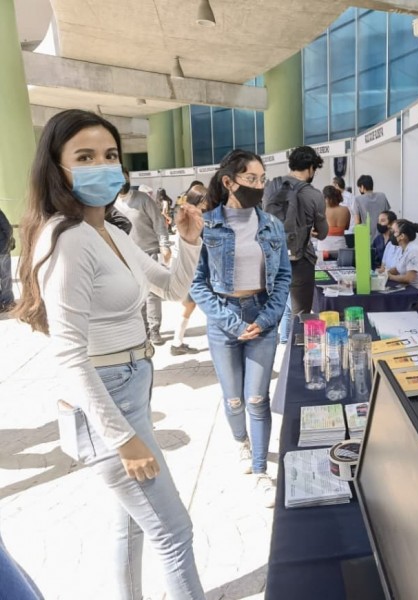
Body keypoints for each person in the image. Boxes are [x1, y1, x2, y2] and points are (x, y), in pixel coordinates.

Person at [13, 109, 205, 599]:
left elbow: (171, 288)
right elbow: (68, 355)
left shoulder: (109, 231)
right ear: (57, 169)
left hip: (132, 382)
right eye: (85, 156)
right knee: (173, 531)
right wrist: (122, 438)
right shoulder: (70, 241)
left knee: (134, 526)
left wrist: (187, 240)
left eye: (110, 155)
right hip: (107, 398)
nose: (102, 165)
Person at [191, 149, 291, 508]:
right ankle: (240, 444)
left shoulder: (271, 225)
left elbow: (282, 278)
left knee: (256, 398)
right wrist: (233, 322)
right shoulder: (207, 224)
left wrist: (265, 320)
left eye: (263, 179)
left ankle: (261, 468)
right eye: (252, 179)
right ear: (229, 181)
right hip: (223, 318)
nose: (259, 186)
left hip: (261, 313)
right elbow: (197, 284)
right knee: (233, 398)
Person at [264, 145, 327, 318]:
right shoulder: (314, 194)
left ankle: (274, 342)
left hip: (272, 258)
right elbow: (322, 233)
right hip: (301, 260)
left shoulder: (271, 186)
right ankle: (296, 343)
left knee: (272, 313)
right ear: (311, 168)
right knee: (301, 315)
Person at [115, 167, 172, 345]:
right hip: (126, 256)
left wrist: (164, 245)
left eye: (125, 178)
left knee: (152, 294)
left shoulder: (143, 200)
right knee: (135, 296)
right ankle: (142, 330)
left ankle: (154, 330)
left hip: (149, 253)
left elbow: (159, 222)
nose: (122, 182)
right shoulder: (111, 205)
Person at [171, 183, 209, 356]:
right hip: (196, 271)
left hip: (191, 270)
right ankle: (176, 343)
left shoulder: (187, 215)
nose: (208, 204)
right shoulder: (195, 219)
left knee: (189, 306)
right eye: (205, 201)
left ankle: (176, 343)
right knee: (205, 306)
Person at [386, 219, 418, 291]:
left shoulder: (413, 251)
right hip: (408, 289)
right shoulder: (401, 248)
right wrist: (384, 273)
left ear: (402, 236)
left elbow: (408, 278)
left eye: (393, 231)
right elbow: (397, 269)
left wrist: (390, 277)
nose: (390, 233)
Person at [354, 174, 391, 240]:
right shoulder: (382, 196)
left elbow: (357, 222)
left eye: (359, 187)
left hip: (367, 237)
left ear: (362, 187)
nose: (359, 189)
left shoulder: (358, 199)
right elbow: (389, 216)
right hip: (383, 237)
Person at [317, 185, 350, 256]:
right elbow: (347, 227)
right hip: (340, 244)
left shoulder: (321, 210)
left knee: (322, 266)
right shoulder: (345, 210)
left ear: (326, 198)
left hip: (324, 245)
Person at [0, 206, 15, 312]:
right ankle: (7, 302)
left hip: (2, 249)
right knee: (6, 277)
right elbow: (8, 228)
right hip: (2, 249)